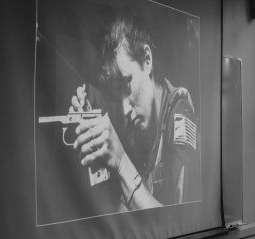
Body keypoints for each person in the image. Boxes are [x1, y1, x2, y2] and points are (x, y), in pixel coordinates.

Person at [69, 10, 200, 211]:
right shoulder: (134, 122)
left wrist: (121, 163)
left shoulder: (179, 111)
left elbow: (182, 221)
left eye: (126, 83)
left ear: (147, 59)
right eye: (115, 94)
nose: (124, 109)